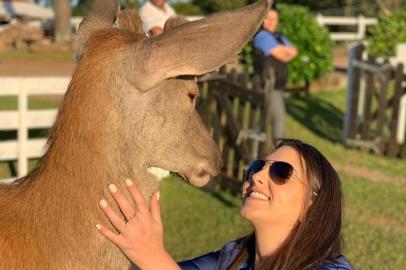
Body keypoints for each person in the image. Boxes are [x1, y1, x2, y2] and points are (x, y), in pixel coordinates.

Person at [96, 139, 353, 270]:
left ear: (312, 205)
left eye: (282, 172)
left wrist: (154, 257)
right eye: (257, 166)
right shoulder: (235, 257)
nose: (258, 176)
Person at [253, 9, 298, 145]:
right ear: (262, 20)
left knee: (263, 119)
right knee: (278, 118)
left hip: (277, 85)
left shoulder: (278, 36)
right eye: (268, 18)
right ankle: (279, 149)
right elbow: (282, 55)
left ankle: (256, 149)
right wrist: (285, 52)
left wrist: (285, 52)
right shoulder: (262, 36)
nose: (272, 22)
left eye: (275, 19)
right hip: (267, 85)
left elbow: (294, 51)